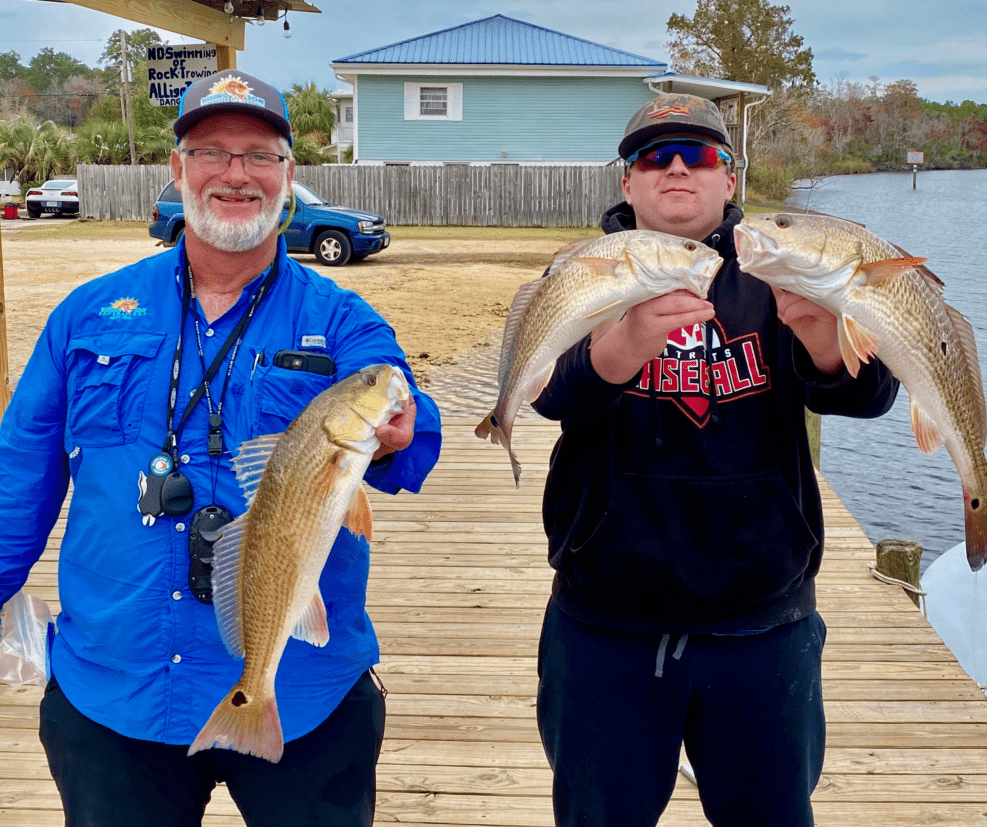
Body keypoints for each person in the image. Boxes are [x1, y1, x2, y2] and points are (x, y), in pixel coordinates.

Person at [0, 69, 441, 827]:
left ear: (288, 177)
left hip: (302, 692)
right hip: (116, 688)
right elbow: (19, 471)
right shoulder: (90, 313)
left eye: (259, 155)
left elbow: (405, 407)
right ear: (177, 170)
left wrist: (405, 424)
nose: (235, 174)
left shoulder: (340, 319)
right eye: (210, 151)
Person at [531, 94, 900, 826]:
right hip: (606, 620)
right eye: (653, 156)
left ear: (730, 179)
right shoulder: (588, 268)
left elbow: (870, 395)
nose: (676, 167)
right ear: (627, 182)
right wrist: (618, 350)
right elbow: (545, 392)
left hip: (761, 621)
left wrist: (827, 342)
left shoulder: (781, 261)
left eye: (699, 154)